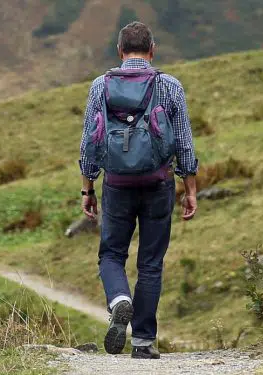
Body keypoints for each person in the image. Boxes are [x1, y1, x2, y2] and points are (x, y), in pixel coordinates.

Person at [78, 21, 198, 359]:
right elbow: (185, 143)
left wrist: (88, 188)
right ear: (152, 49)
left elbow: (90, 141)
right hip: (158, 182)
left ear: (119, 51)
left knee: (112, 254)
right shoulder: (170, 86)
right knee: (151, 263)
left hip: (116, 183)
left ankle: (119, 299)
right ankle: (143, 342)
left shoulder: (100, 85)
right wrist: (190, 188)